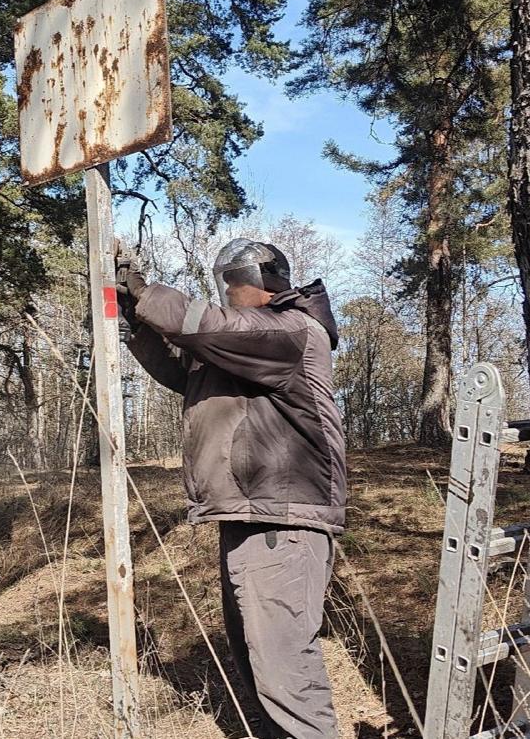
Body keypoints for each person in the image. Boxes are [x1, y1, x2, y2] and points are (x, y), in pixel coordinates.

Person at [115, 238, 345, 739]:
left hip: (284, 517)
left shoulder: (292, 330)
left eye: (236, 284)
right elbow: (182, 367)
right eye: (226, 285)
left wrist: (143, 288)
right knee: (257, 662)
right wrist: (134, 315)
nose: (229, 294)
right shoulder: (243, 345)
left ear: (269, 284)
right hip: (250, 515)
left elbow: (208, 327)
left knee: (286, 670)